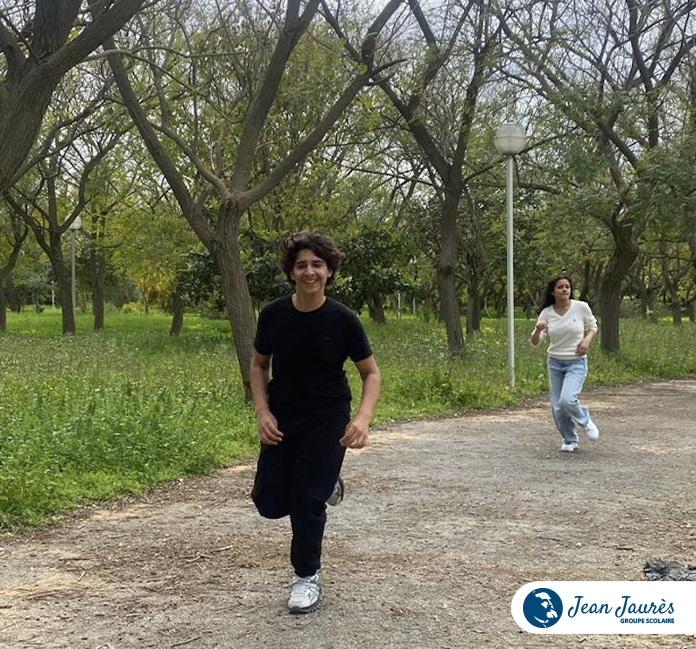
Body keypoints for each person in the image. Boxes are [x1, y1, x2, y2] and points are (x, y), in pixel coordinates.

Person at [249, 231, 381, 614]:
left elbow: (371, 373)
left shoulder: (343, 320)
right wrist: (262, 412)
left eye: (317, 265)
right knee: (268, 501)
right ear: (291, 272)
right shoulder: (273, 315)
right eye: (301, 265)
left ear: (329, 271)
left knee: (306, 499)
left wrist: (363, 419)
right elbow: (258, 365)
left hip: (327, 416)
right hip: (283, 414)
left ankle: (306, 576)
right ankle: (328, 483)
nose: (310, 272)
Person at [530, 275, 599, 452]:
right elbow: (535, 342)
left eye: (567, 287)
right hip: (555, 363)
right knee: (558, 407)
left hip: (576, 362)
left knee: (567, 399)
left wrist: (586, 340)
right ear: (553, 292)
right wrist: (538, 330)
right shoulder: (547, 313)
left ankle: (585, 420)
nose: (564, 290)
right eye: (560, 287)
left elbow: (593, 326)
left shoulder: (581, 307)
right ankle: (569, 440)